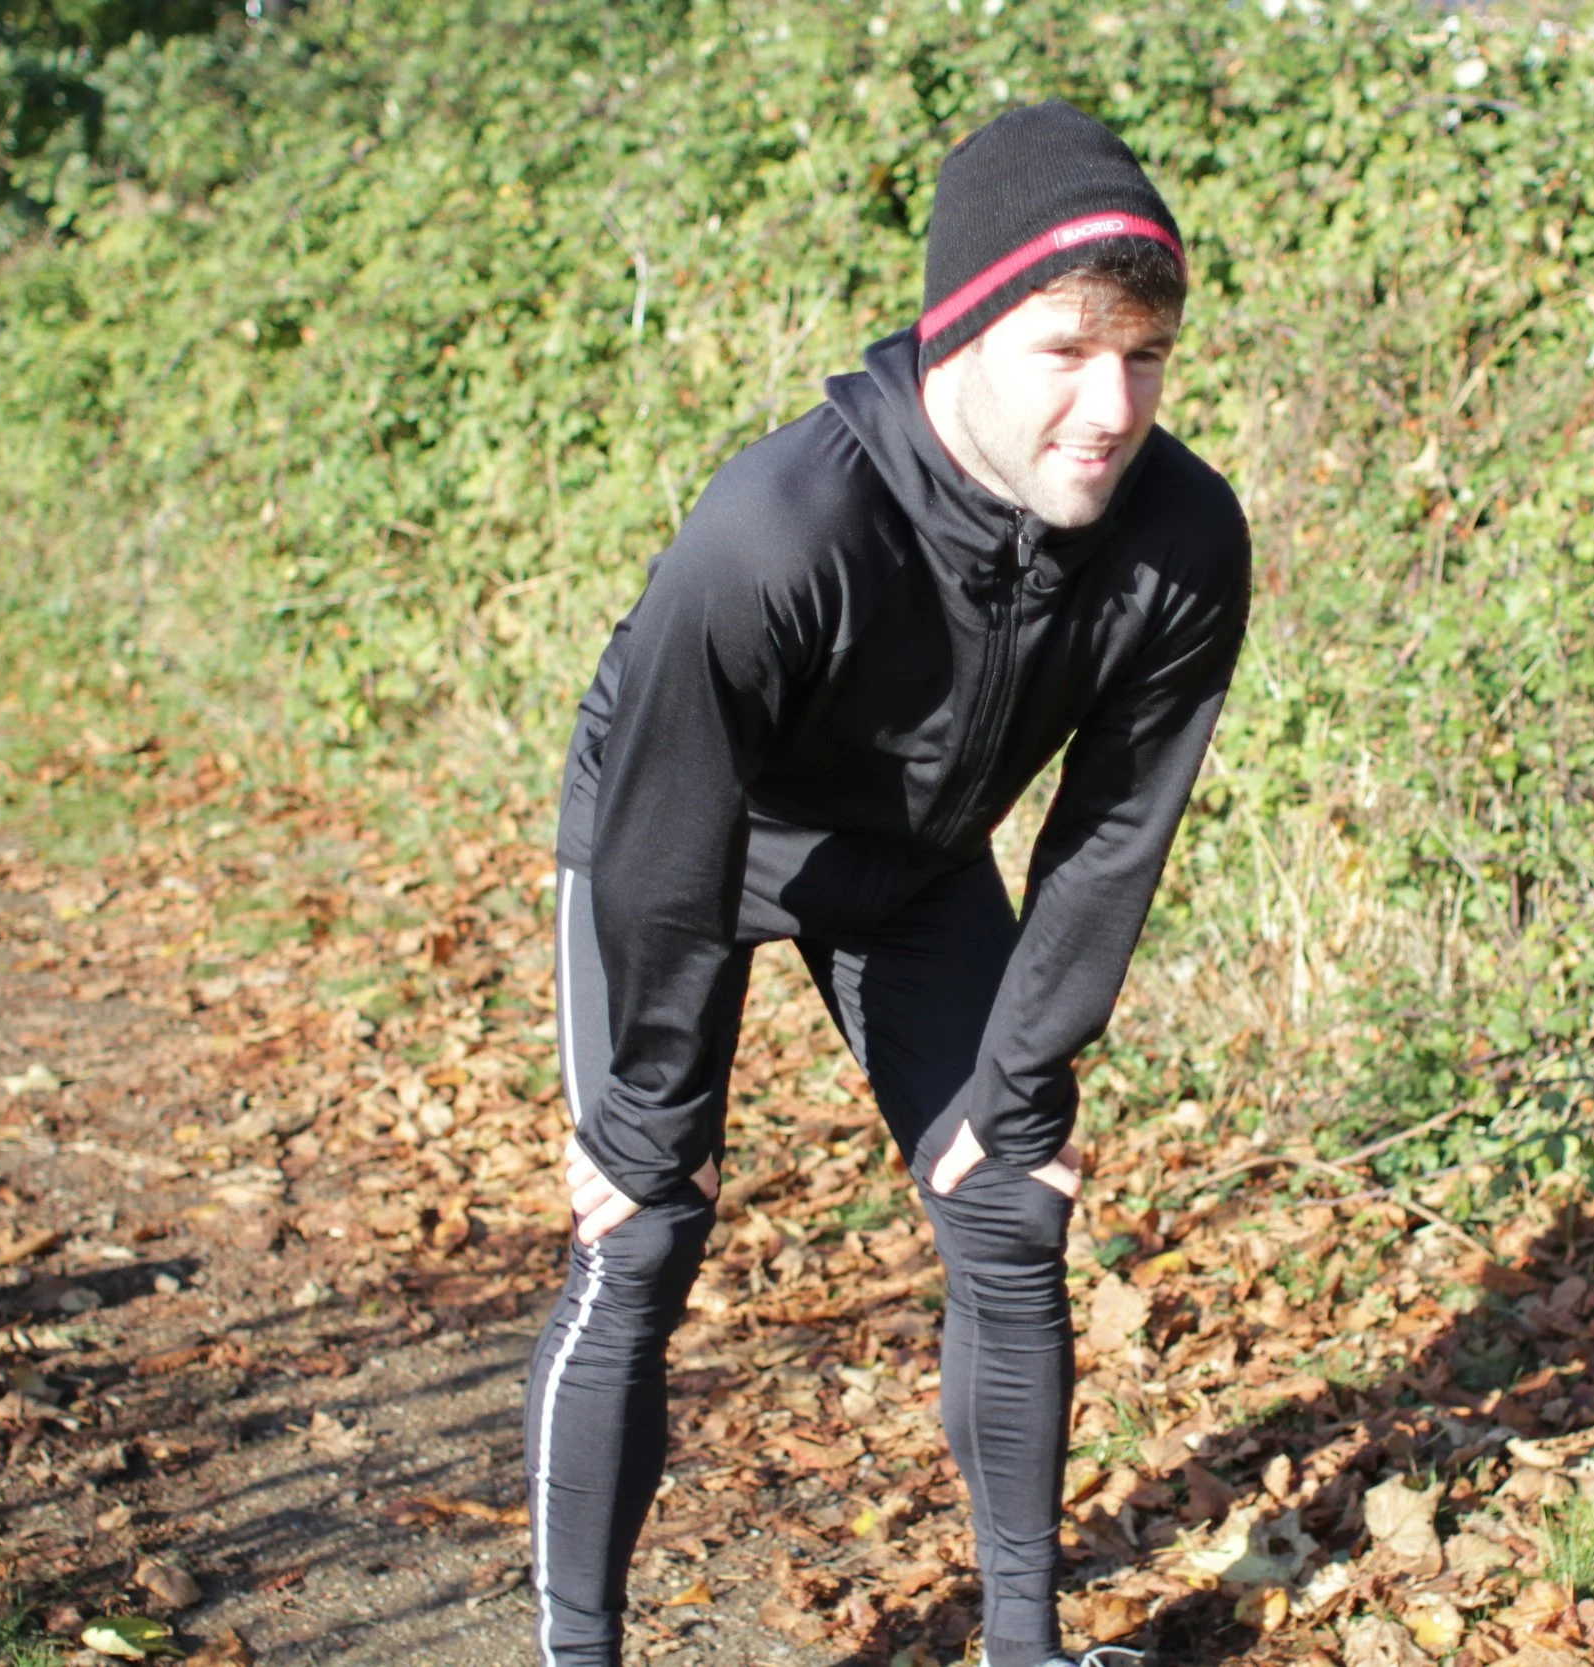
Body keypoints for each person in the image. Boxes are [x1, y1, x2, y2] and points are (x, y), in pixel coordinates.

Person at [524, 99, 1250, 1667]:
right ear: (960, 332)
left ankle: (1022, 1648)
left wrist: (1026, 1076)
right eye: (1066, 350)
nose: (1113, 405)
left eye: (1146, 356)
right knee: (641, 1230)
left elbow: (1114, 829)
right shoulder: (779, 530)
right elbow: (662, 829)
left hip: (913, 865)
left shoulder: (1183, 539)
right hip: (690, 838)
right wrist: (643, 1121)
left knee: (1013, 1204)